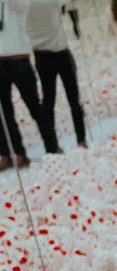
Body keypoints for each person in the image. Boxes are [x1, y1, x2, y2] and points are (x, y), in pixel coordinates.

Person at [0, 0, 61, 168]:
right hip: (1, 62)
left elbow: (22, 5)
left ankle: (52, 148)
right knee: (4, 114)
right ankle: (13, 153)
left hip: (20, 61)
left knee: (35, 108)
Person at [27, 0, 86, 147]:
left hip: (41, 56)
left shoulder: (24, 4)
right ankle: (81, 139)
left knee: (48, 101)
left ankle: (52, 144)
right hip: (61, 54)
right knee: (73, 98)